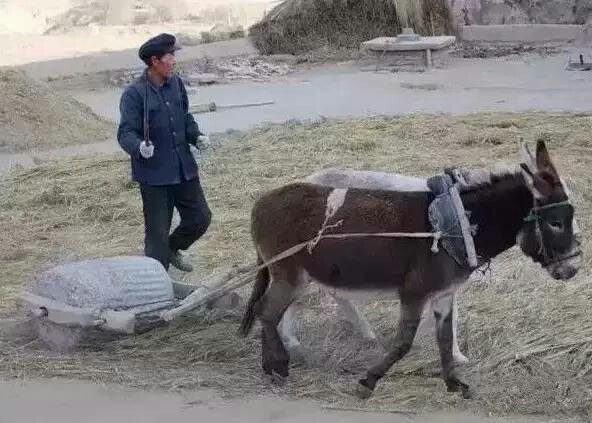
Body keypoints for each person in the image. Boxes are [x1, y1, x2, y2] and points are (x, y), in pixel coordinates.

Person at [117, 33, 211, 272]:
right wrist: (139, 147)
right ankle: (158, 286)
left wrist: (196, 135)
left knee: (200, 218)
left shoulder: (176, 84)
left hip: (183, 168)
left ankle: (172, 248)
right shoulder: (134, 94)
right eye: (171, 56)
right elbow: (125, 132)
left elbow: (185, 116)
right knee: (156, 236)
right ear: (155, 61)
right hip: (155, 176)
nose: (174, 61)